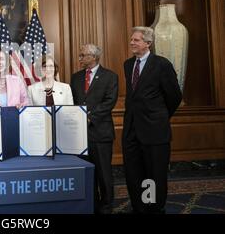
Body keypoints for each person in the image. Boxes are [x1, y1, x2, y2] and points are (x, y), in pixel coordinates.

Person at [123, 27, 182, 214]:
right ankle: (139, 207)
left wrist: (160, 116)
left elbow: (174, 96)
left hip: (155, 131)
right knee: (134, 172)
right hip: (131, 129)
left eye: (136, 40)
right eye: (131, 39)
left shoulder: (162, 64)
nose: (132, 42)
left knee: (154, 173)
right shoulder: (127, 64)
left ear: (148, 43)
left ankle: (154, 208)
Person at [70, 44, 118, 214]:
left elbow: (109, 102)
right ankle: (91, 205)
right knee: (86, 173)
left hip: (100, 133)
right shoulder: (75, 77)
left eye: (83, 55)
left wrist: (89, 116)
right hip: (80, 136)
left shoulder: (110, 76)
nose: (80, 58)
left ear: (94, 57)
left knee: (104, 174)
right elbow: (72, 102)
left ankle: (106, 207)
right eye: (80, 55)